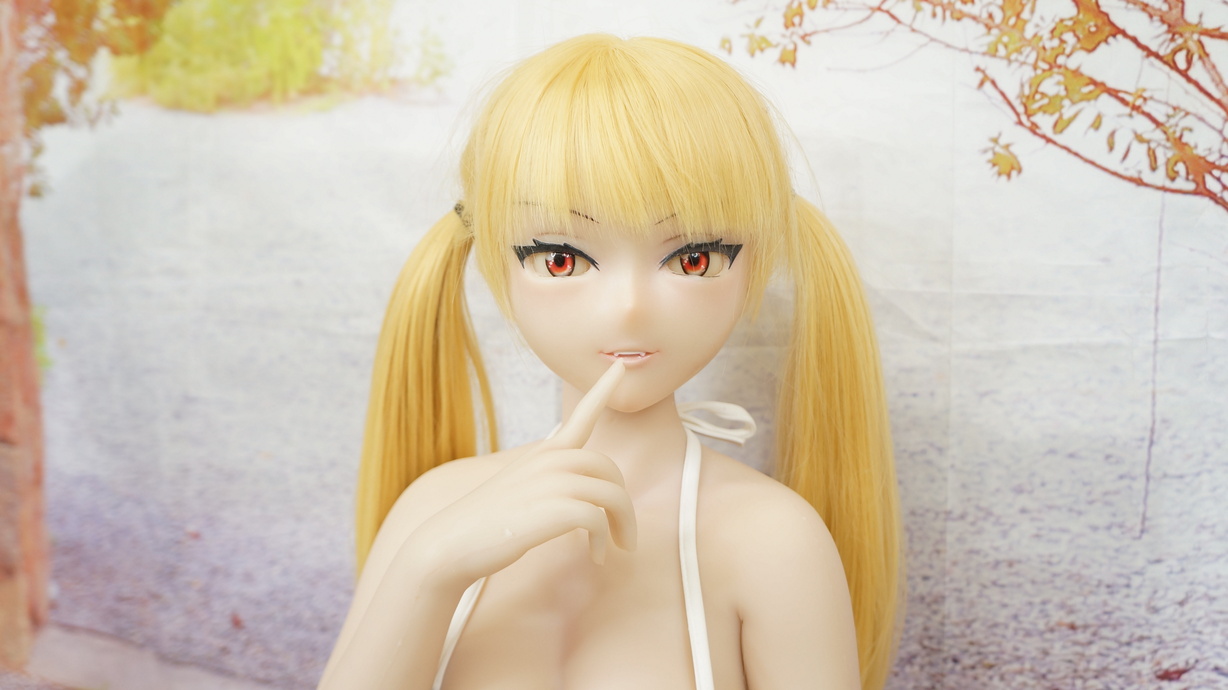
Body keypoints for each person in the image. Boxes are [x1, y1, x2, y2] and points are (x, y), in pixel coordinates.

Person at [318, 34, 901, 690]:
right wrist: (428, 567)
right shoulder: (436, 509)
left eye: (693, 258)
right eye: (560, 258)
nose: (629, 308)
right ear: (495, 264)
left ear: (755, 264)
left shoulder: (771, 542)